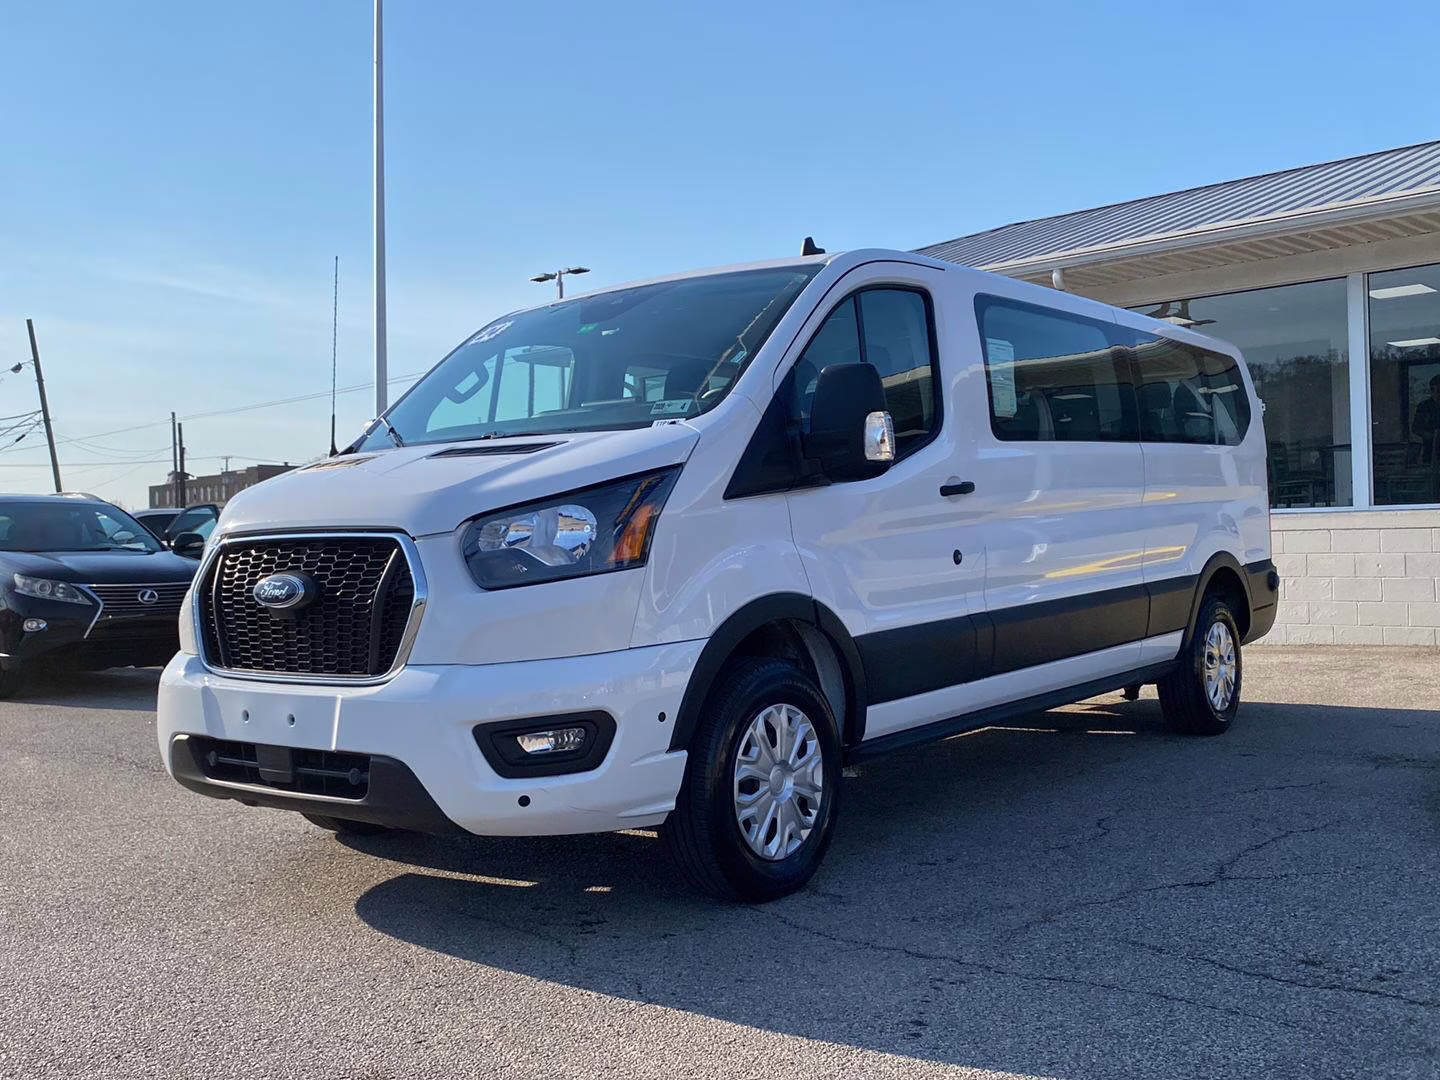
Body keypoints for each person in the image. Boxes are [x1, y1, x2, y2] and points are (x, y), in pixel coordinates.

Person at [1414, 373, 1440, 466]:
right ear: (1432, 390)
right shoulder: (1424, 406)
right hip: (1430, 450)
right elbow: (1416, 428)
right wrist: (1431, 436)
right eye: (1438, 390)